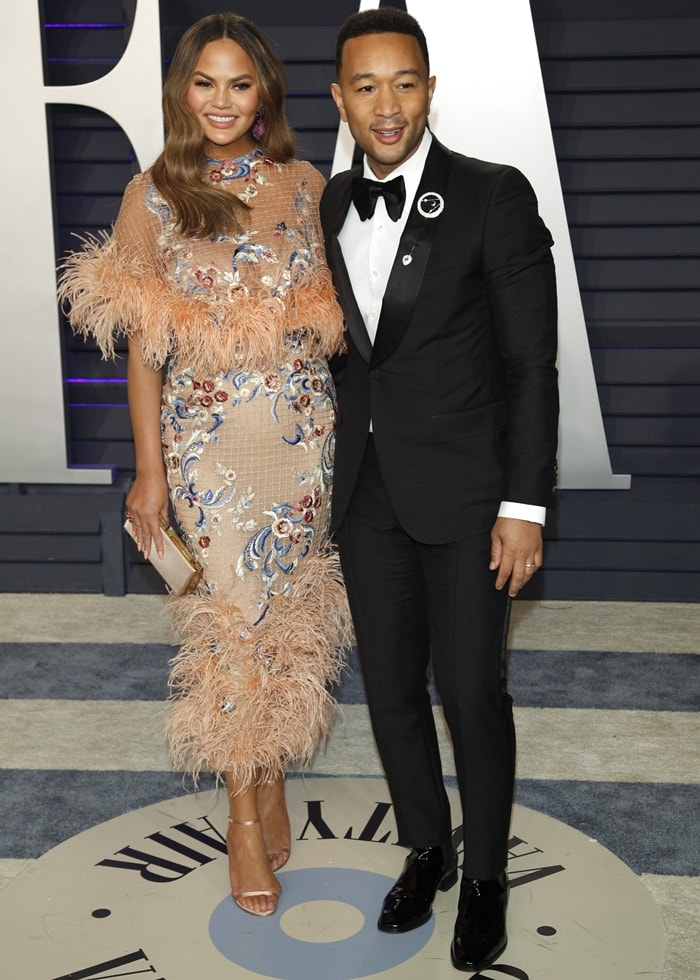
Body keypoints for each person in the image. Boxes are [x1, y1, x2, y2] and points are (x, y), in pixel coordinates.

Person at [58, 13, 349, 919]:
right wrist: (149, 474)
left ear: (264, 95)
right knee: (229, 625)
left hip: (303, 437)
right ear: (182, 93)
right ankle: (242, 817)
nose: (221, 101)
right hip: (206, 446)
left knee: (286, 617)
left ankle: (267, 778)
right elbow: (144, 353)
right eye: (204, 83)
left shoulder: (305, 185)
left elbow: (344, 313)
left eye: (239, 84)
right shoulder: (150, 197)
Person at [320, 7, 558, 972]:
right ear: (340, 99)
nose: (388, 104)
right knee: (388, 692)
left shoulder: (492, 195)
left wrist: (525, 505)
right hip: (367, 492)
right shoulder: (329, 205)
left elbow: (532, 363)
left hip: (469, 496)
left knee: (469, 689)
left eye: (404, 82)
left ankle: (490, 874)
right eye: (366, 86)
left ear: (430, 86)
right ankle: (428, 847)